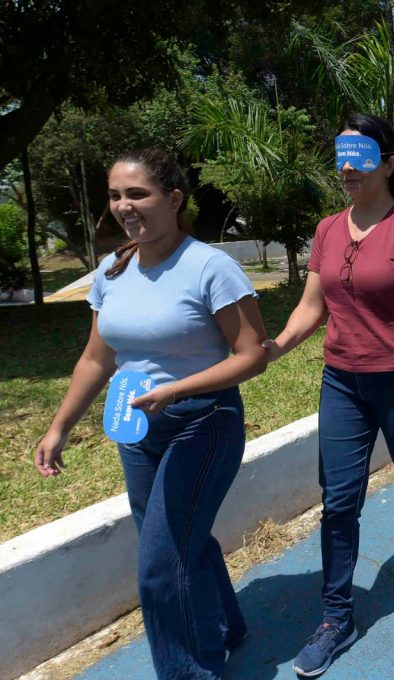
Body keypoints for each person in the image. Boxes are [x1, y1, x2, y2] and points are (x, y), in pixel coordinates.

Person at [35, 149, 268, 679]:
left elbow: (252, 354)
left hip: (203, 423)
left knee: (161, 568)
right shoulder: (112, 269)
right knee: (183, 543)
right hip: (135, 427)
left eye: (138, 194)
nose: (124, 206)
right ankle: (226, 627)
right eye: (115, 195)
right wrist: (59, 427)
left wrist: (176, 390)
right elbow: (97, 358)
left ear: (174, 199)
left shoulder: (210, 267)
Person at [261, 114, 394, 677]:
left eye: (360, 155)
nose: (347, 167)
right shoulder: (327, 229)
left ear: (387, 163)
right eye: (340, 155)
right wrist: (275, 347)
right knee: (339, 501)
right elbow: (312, 306)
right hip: (342, 382)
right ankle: (337, 616)